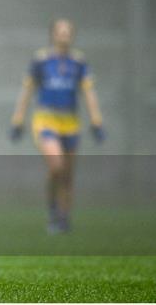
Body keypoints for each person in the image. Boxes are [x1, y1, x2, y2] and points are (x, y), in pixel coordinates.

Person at [9, 18, 106, 234]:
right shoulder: (41, 61)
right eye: (60, 31)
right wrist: (18, 120)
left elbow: (89, 93)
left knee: (68, 174)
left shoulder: (79, 63)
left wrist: (96, 122)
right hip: (46, 120)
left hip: (71, 123)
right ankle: (53, 209)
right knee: (56, 166)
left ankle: (63, 217)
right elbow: (27, 91)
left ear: (72, 35)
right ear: (53, 34)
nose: (64, 35)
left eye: (67, 32)